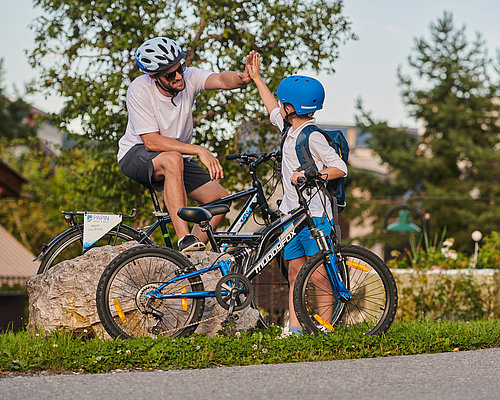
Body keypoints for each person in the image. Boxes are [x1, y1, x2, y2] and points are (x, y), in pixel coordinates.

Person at [118, 37, 252, 252]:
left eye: (180, 68)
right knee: (173, 158)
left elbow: (220, 79)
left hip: (176, 157)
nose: (179, 76)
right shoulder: (139, 90)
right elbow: (151, 141)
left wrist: (241, 79)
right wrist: (199, 150)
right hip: (136, 154)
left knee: (220, 200)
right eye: (170, 75)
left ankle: (190, 255)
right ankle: (185, 239)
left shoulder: (189, 76)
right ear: (154, 77)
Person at [247, 51, 347, 334]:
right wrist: (257, 78)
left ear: (291, 107)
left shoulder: (312, 136)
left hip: (315, 217)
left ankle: (325, 328)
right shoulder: (288, 128)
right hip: (292, 215)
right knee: (294, 273)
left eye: (283, 103)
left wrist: (309, 174)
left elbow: (339, 168)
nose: (279, 106)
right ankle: (294, 330)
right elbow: (270, 108)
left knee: (319, 277)